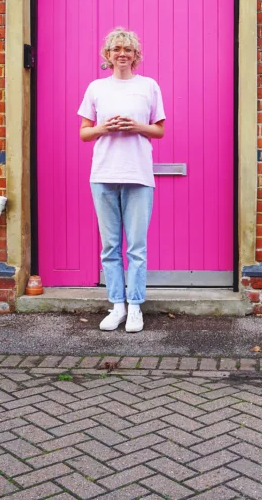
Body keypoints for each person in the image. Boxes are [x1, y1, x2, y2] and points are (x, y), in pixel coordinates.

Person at [78, 27, 166, 332]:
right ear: (107, 55)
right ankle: (117, 306)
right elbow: (84, 133)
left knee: (136, 247)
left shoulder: (149, 86)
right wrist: (105, 128)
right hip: (103, 175)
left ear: (136, 55)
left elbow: (159, 130)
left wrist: (136, 126)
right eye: (116, 49)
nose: (122, 54)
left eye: (128, 49)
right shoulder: (96, 88)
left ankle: (136, 307)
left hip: (139, 175)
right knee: (110, 246)